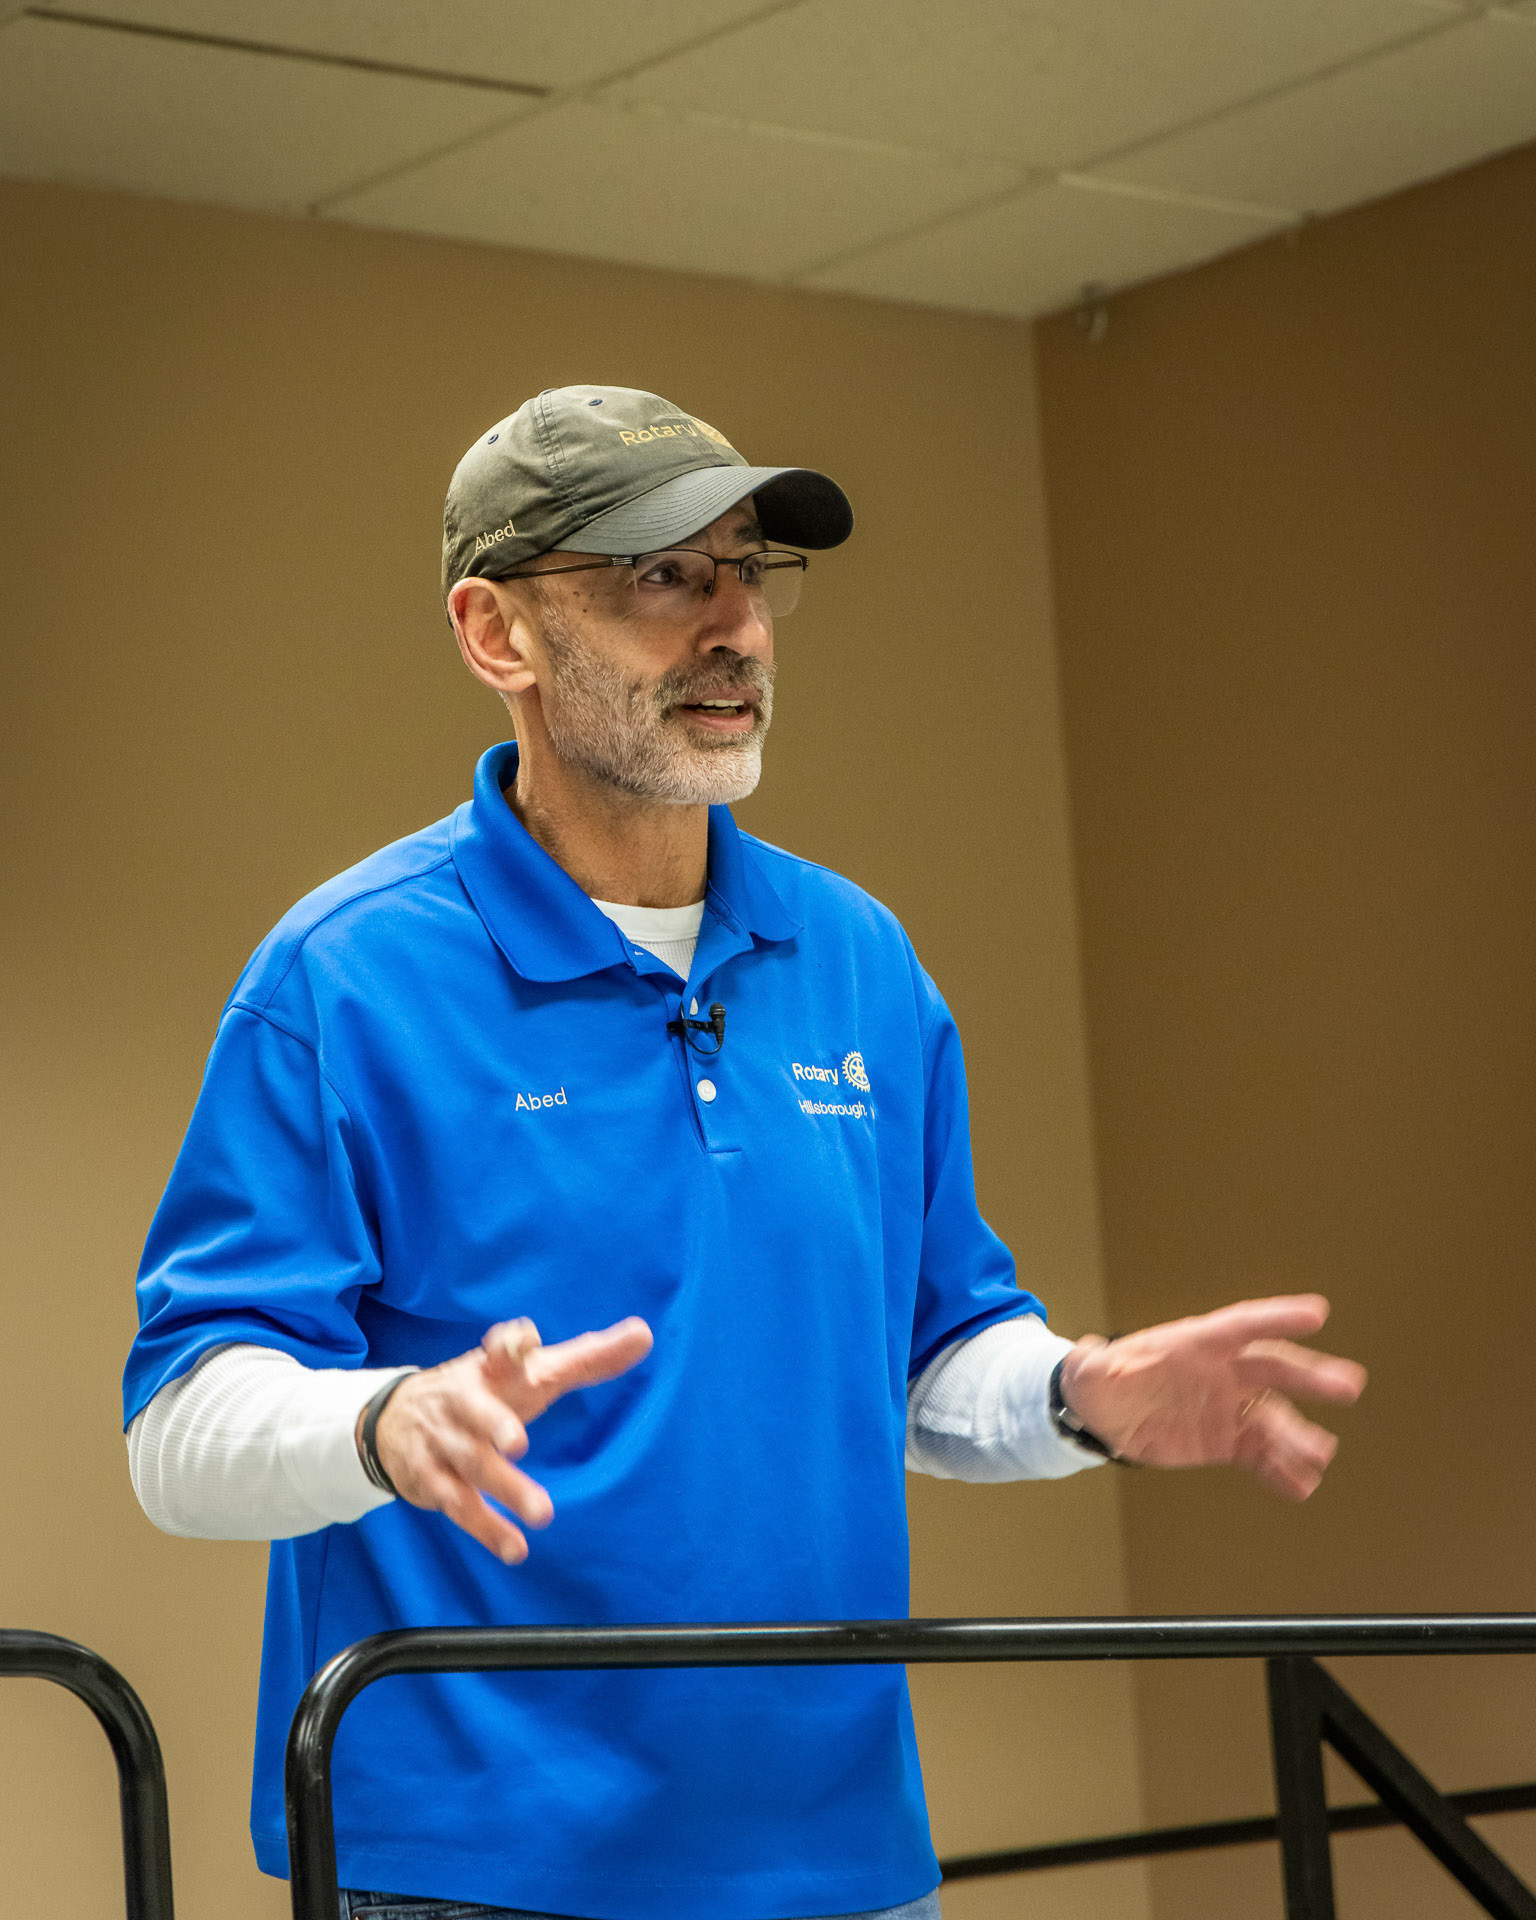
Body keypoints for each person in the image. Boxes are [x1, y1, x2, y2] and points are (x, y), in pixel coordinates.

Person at [123, 385, 1366, 1920]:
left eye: (749, 572)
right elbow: (177, 1427)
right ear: (497, 633)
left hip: (839, 1853)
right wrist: (386, 1423)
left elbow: (932, 1356)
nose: (737, 628)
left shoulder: (859, 957)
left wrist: (1074, 1394)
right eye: (663, 576)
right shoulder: (344, 979)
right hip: (482, 1865)